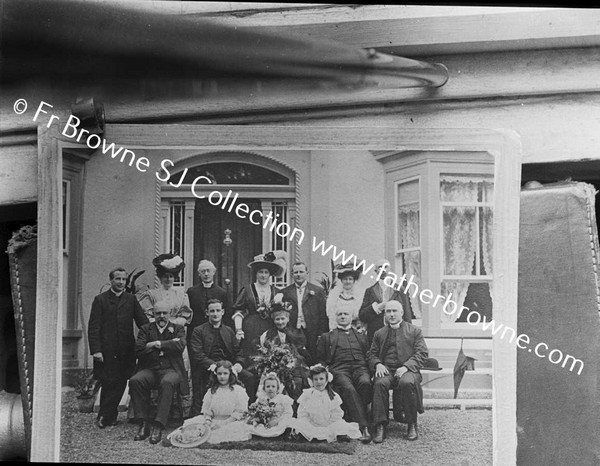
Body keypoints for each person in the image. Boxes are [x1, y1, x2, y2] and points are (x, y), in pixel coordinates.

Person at [88, 267, 149, 428]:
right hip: (106, 351)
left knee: (121, 381)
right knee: (108, 382)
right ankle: (105, 415)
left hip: (126, 350)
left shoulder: (131, 299)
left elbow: (142, 321)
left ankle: (109, 414)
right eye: (118, 279)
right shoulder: (100, 300)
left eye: (123, 279)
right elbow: (93, 327)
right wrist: (96, 350)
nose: (121, 282)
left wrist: (154, 335)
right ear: (111, 281)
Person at [368, 300, 428, 443]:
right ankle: (381, 425)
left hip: (407, 369)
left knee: (407, 382)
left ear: (401, 313)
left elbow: (422, 353)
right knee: (380, 383)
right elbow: (371, 354)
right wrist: (377, 364)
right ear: (385, 314)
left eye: (395, 311)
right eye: (388, 311)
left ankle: (411, 423)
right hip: (387, 368)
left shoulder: (414, 331)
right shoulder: (379, 333)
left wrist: (406, 367)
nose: (392, 314)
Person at [129, 302, 188, 444]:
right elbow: (139, 350)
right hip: (150, 369)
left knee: (167, 382)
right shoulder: (145, 329)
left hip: (171, 370)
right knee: (136, 380)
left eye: (164, 313)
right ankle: (143, 423)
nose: (161, 316)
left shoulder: (178, 329)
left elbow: (180, 346)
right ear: (153, 314)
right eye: (158, 313)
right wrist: (169, 344)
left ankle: (158, 425)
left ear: (170, 314)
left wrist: (157, 344)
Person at [316, 306, 373, 443]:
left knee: (365, 383)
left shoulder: (361, 336)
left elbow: (369, 354)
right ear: (336, 318)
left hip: (360, 368)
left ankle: (360, 417)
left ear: (351, 317)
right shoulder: (327, 337)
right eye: (340, 314)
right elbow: (320, 359)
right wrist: (326, 370)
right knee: (348, 388)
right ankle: (363, 426)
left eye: (345, 313)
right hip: (339, 369)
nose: (342, 316)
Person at [190, 298, 257, 406]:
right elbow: (198, 354)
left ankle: (248, 409)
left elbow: (238, 351)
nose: (215, 314)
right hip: (209, 368)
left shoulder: (228, 330)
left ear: (223, 312)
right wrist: (214, 365)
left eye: (218, 310)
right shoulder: (199, 331)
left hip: (229, 367)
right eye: (212, 311)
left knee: (248, 377)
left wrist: (238, 364)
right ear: (207, 313)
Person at [168, 360, 251, 445]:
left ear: (231, 374)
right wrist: (208, 421)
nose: (222, 376)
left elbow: (240, 412)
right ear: (215, 374)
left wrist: (224, 423)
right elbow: (208, 409)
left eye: (225, 373)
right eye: (219, 374)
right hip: (213, 420)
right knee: (194, 428)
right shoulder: (212, 390)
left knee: (227, 433)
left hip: (230, 421)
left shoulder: (238, 391)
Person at [186, 260, 229, 416]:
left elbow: (228, 315)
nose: (205, 274)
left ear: (214, 272)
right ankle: (197, 409)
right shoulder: (191, 292)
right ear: (198, 273)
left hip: (217, 334)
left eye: (208, 271)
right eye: (202, 271)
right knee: (198, 372)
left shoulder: (222, 292)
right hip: (197, 336)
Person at [232, 251, 287, 357]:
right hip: (251, 327)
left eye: (266, 272)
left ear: (270, 274)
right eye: (260, 272)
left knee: (270, 353)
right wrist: (238, 329)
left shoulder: (276, 291)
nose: (263, 275)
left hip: (270, 326)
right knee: (252, 354)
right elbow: (239, 310)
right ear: (256, 273)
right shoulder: (247, 289)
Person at [258, 295, 310, 402]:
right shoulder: (266, 335)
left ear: (288, 319)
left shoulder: (296, 333)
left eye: (283, 319)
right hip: (274, 368)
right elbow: (264, 354)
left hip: (294, 366)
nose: (280, 322)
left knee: (297, 382)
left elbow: (302, 353)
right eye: (277, 319)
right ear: (273, 320)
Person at [293, 364, 362, 443]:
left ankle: (336, 434)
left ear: (326, 380)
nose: (319, 382)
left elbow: (337, 414)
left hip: (329, 424)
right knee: (300, 424)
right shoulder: (307, 394)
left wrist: (329, 425)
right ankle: (309, 435)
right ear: (311, 381)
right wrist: (309, 423)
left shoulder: (332, 395)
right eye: (316, 379)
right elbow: (302, 413)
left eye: (321, 379)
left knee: (340, 425)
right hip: (312, 424)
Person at [359, 259, 413, 346]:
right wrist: (377, 308)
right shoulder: (370, 291)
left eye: (385, 267)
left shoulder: (400, 289)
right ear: (376, 271)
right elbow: (362, 316)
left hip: (397, 335)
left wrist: (408, 335)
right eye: (380, 267)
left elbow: (407, 315)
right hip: (376, 336)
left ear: (390, 269)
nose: (383, 270)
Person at [281, 262, 328, 363]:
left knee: (313, 358)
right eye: (296, 272)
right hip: (293, 330)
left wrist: (321, 334)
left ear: (306, 273)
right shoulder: (286, 292)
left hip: (312, 330)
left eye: (301, 272)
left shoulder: (317, 291)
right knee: (295, 358)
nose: (298, 274)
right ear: (292, 274)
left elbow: (322, 315)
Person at [139, 253, 192, 327]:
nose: (168, 279)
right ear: (160, 277)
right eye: (165, 276)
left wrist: (173, 324)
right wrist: (161, 325)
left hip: (176, 329)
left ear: (175, 278)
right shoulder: (151, 294)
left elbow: (184, 315)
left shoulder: (182, 295)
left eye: (171, 276)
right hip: (156, 329)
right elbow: (147, 315)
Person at [248, 372, 296, 438]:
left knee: (287, 423)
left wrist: (277, 421)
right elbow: (257, 412)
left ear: (277, 388)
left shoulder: (282, 398)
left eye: (273, 386)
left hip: (278, 421)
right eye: (268, 386)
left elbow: (288, 413)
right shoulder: (261, 399)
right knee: (255, 426)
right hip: (265, 423)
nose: (270, 389)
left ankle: (284, 433)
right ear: (264, 388)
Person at [326, 262, 366, 331]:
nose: (347, 282)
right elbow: (331, 313)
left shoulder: (360, 295)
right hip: (338, 327)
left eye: (350, 279)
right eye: (345, 279)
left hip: (355, 328)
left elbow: (362, 314)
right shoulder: (334, 295)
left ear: (354, 281)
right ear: (341, 280)